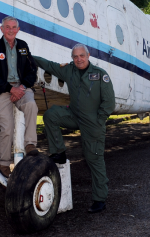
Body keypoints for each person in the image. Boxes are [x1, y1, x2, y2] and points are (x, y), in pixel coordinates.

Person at [33, 43, 115, 214]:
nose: (79, 59)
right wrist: (28, 57)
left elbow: (109, 103)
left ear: (88, 55)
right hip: (75, 116)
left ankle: (100, 199)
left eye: (81, 56)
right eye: (75, 57)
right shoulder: (69, 70)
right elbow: (49, 65)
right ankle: (59, 152)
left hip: (93, 123)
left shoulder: (100, 75)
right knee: (51, 115)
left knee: (94, 160)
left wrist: (99, 121)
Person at [0, 16, 39, 177]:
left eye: (13, 27)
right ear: (2, 29)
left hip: (21, 88)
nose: (10, 30)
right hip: (2, 90)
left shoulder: (23, 46)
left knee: (31, 105)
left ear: (18, 29)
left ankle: (30, 144)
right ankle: (2, 163)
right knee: (7, 127)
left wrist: (22, 87)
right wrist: (10, 88)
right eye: (7, 27)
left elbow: (32, 70)